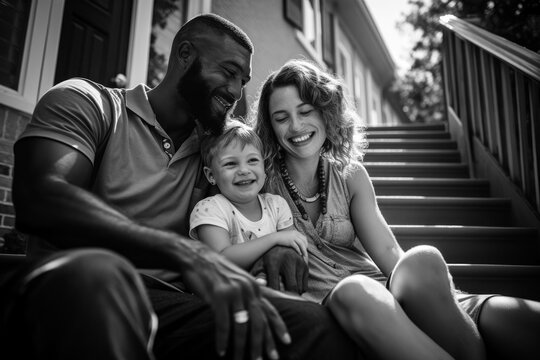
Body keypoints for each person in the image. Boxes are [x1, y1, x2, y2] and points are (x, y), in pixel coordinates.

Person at [0, 16, 358, 360]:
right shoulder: (92, 104)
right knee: (100, 276)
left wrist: (272, 247)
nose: (236, 91)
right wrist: (185, 253)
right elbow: (42, 196)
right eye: (229, 73)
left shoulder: (218, 151)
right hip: (75, 289)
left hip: (174, 303)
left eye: (243, 80)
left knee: (310, 325)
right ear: (185, 55)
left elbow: (251, 205)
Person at [251, 59, 540, 360]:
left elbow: (389, 252)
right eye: (281, 118)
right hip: (345, 305)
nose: (296, 126)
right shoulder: (258, 183)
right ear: (270, 127)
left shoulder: (350, 176)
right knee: (356, 289)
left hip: (384, 291)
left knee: (422, 258)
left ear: (325, 112)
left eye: (305, 111)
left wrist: (436, 294)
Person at [190, 119, 309, 273]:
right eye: (230, 164)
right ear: (211, 175)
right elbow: (221, 259)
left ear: (264, 167)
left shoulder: (277, 206)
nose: (244, 170)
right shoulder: (209, 209)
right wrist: (274, 239)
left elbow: (296, 254)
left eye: (252, 160)